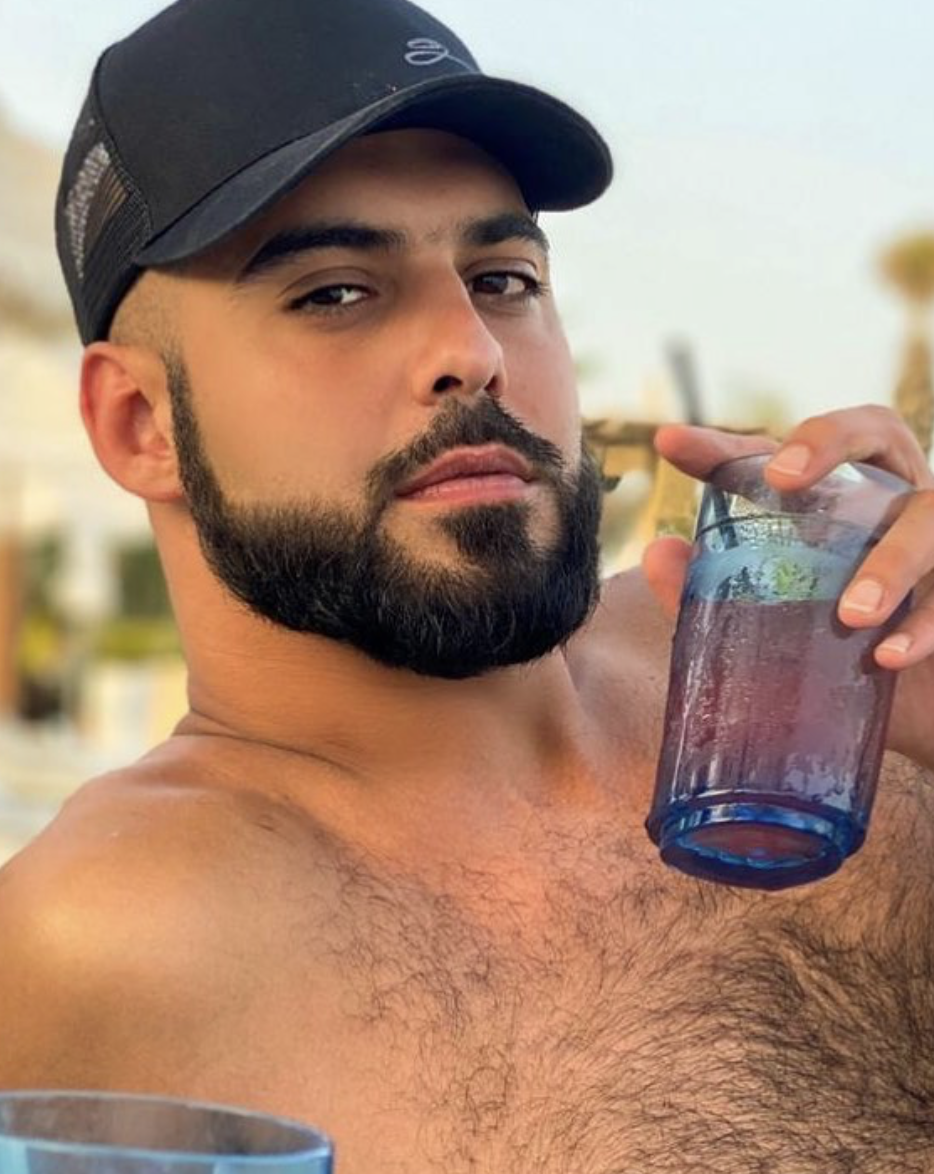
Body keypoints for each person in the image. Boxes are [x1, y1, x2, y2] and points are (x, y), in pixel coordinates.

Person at [2, 0, 934, 1169]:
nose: (473, 350)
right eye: (334, 292)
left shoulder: (826, 698)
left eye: (501, 278)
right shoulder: (98, 940)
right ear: (141, 422)